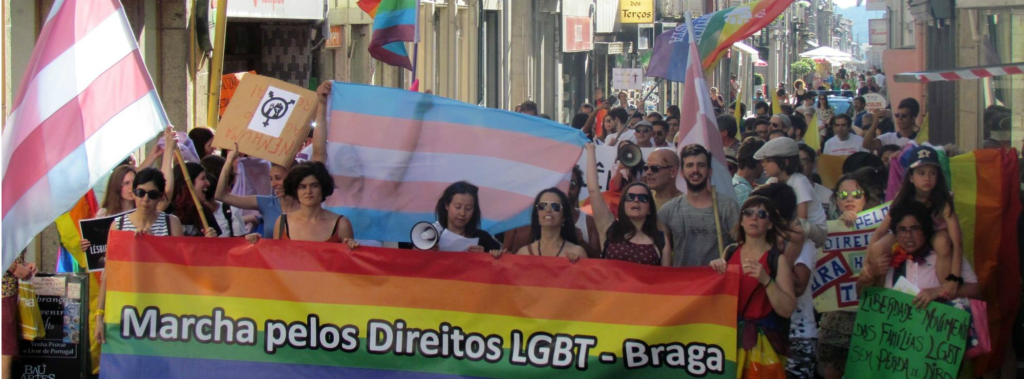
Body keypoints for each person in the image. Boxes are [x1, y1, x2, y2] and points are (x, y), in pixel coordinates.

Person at [95, 167, 186, 344]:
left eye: (152, 194)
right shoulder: (118, 225)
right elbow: (109, 272)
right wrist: (100, 315)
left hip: (164, 307)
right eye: (140, 192)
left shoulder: (171, 223)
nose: (145, 199)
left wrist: (153, 245)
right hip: (127, 307)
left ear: (160, 197)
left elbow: (181, 268)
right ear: (134, 193)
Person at [710, 195, 797, 378]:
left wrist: (767, 281)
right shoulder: (730, 252)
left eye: (762, 214)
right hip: (729, 338)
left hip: (763, 345)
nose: (754, 218)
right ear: (741, 221)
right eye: (748, 213)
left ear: (770, 224)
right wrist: (715, 272)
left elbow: (787, 309)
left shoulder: (776, 259)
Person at [868, 145, 965, 298]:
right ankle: (879, 295)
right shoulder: (902, 196)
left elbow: (957, 241)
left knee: (943, 242)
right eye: (921, 173)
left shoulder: (944, 200)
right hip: (907, 231)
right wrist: (867, 265)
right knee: (878, 248)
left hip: (933, 233)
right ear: (911, 177)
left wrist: (954, 278)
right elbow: (881, 230)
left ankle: (944, 290)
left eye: (933, 173)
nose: (927, 178)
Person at [860, 202, 979, 307]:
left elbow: (975, 290)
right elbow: (860, 294)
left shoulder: (943, 253)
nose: (908, 235)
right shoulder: (887, 258)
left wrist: (938, 292)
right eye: (902, 229)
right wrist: (872, 274)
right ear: (895, 233)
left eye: (915, 228)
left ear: (925, 230)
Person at [585, 144, 672, 266]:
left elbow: (666, 279)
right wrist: (590, 150)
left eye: (642, 198)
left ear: (649, 208)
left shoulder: (660, 239)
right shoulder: (609, 229)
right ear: (623, 204)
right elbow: (593, 190)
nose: (636, 200)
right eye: (630, 197)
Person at [659, 144, 740, 267]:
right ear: (681, 172)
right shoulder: (668, 211)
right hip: (683, 282)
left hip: (716, 281)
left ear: (710, 171)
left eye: (701, 165)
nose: (695, 170)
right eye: (690, 165)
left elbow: (741, 245)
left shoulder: (727, 206)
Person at [755, 138, 827, 247]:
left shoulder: (799, 181)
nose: (763, 164)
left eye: (769, 160)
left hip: (814, 230)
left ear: (785, 162)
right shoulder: (772, 181)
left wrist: (781, 236)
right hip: (788, 227)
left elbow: (802, 219)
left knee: (798, 229)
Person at [272, 161, 355, 245]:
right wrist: (258, 243)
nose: (308, 191)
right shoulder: (282, 222)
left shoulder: (341, 224)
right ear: (295, 191)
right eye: (302, 187)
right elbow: (272, 255)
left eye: (314, 185)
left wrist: (353, 248)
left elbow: (348, 257)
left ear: (323, 188)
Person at [493, 188, 586, 262]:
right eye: (542, 206)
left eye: (555, 206)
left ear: (564, 216)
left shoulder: (577, 252)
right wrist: (496, 259)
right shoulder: (524, 253)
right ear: (537, 214)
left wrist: (577, 265)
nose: (548, 210)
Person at [2, 253, 37, 379]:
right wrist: (14, 267)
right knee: (4, 351)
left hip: (8, 293)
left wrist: (24, 265)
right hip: (3, 294)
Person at [201, 155, 250, 238]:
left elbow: (240, 246)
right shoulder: (187, 213)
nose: (207, 183)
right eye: (202, 179)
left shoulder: (230, 211)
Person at [168, 162, 220, 238]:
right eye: (203, 178)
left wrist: (212, 240)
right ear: (187, 183)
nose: (208, 183)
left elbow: (216, 247)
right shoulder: (167, 211)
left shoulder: (204, 211)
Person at [734, 138, 765, 204]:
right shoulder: (745, 191)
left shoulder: (733, 183)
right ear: (759, 162)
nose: (764, 165)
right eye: (764, 161)